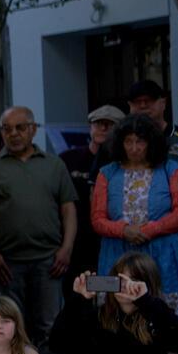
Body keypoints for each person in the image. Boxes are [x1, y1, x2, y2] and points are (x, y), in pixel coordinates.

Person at [0, 106, 78, 346]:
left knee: (50, 327)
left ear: (33, 130)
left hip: (49, 262)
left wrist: (67, 248)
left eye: (21, 128)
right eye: (7, 129)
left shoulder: (54, 165)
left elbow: (69, 210)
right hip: (6, 264)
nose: (14, 134)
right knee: (9, 328)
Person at [91, 114, 178, 318]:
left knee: (164, 316)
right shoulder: (106, 173)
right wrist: (124, 230)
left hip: (163, 256)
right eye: (128, 141)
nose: (134, 148)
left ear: (151, 143)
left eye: (140, 141)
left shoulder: (170, 169)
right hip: (116, 254)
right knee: (115, 313)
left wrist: (149, 230)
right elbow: (97, 220)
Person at [59, 105, 123, 297]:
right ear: (90, 127)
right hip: (74, 242)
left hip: (108, 242)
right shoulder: (67, 158)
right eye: (98, 124)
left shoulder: (122, 164)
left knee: (107, 292)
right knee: (76, 296)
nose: (102, 128)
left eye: (109, 125)